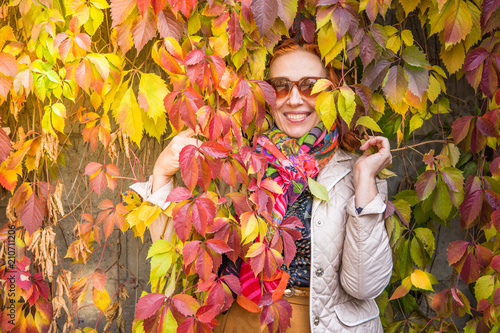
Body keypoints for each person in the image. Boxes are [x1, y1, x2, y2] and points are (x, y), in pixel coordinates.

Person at [131, 38, 393, 332]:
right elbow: (186, 260)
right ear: (265, 94)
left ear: (329, 92)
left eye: (309, 85)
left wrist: (364, 180)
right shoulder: (236, 164)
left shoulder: (354, 173)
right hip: (242, 321)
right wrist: (161, 176)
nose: (294, 99)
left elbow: (365, 286)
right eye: (281, 85)